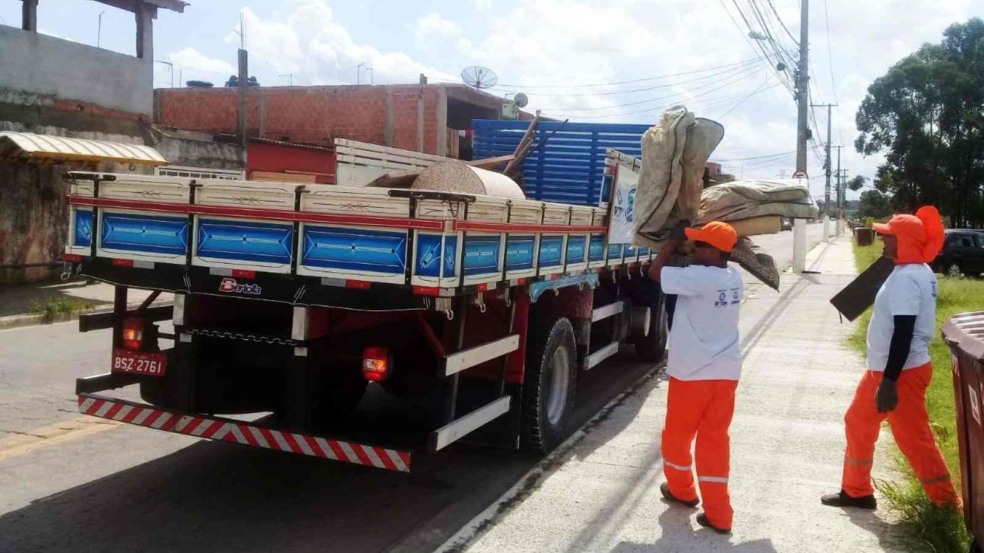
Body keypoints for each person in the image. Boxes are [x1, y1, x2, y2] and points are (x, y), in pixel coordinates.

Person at [822, 206, 960, 510]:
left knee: (914, 439)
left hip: (900, 373)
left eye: (889, 237)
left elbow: (904, 331)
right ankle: (856, 491)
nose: (882, 241)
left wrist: (888, 382)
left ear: (906, 241)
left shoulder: (907, 278)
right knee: (857, 422)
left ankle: (949, 506)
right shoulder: (912, 270)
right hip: (886, 369)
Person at [647, 221, 743, 534]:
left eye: (700, 245)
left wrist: (670, 246)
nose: (695, 248)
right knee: (715, 443)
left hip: (692, 375)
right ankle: (720, 515)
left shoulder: (698, 278)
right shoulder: (734, 277)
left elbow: (655, 273)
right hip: (726, 374)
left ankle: (683, 491)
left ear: (715, 252)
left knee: (676, 438)